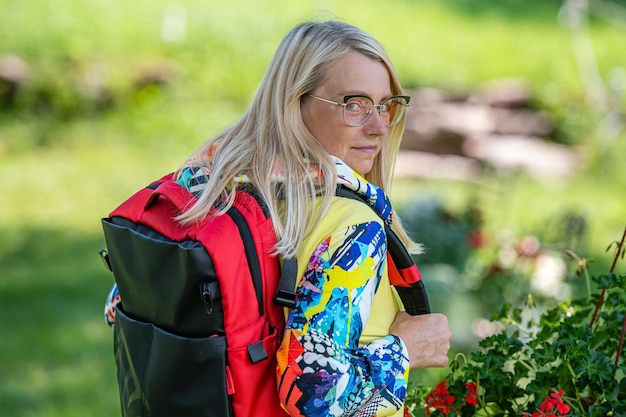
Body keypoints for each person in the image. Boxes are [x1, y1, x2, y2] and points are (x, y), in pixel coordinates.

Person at [105, 19, 451, 417]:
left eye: (387, 105)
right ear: (295, 103)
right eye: (353, 105)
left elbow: (120, 304)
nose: (378, 127)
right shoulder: (352, 226)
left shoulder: (218, 190)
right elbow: (313, 394)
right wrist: (405, 349)